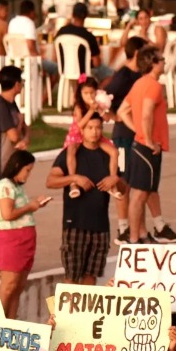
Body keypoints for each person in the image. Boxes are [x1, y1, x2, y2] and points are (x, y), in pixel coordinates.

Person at [47, 113, 118, 286]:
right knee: (71, 277)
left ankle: (85, 314)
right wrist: (74, 179)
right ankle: (66, 314)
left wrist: (115, 180)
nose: (94, 132)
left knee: (91, 277)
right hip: (75, 225)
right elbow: (50, 181)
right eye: (90, 128)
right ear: (83, 130)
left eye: (98, 128)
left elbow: (124, 187)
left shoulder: (108, 154)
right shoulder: (71, 153)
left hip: (100, 227)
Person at [0, 149, 49, 316]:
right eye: (27, 170)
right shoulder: (5, 185)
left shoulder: (17, 187)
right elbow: (6, 214)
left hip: (24, 241)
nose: (28, 174)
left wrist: (34, 205)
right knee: (8, 286)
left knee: (18, 287)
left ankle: (11, 324)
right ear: (17, 166)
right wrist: (30, 207)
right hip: (11, 241)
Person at [120, 45, 169, 246]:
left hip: (139, 145)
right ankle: (133, 238)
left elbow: (123, 111)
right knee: (140, 196)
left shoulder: (139, 83)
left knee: (141, 193)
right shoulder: (153, 86)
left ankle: (140, 235)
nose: (164, 62)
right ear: (153, 63)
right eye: (161, 59)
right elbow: (147, 113)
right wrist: (147, 139)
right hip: (147, 147)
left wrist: (138, 130)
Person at [0, 66, 28, 277]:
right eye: (21, 81)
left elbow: (23, 131)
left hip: (9, 166)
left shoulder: (12, 104)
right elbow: (14, 136)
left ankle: (2, 258)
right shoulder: (0, 105)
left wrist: (24, 135)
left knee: (5, 212)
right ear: (16, 83)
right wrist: (21, 134)